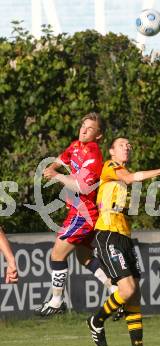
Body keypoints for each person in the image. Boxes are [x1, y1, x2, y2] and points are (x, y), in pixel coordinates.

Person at [87, 137, 160, 346]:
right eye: (122, 145)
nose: (127, 147)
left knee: (135, 294)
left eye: (129, 144)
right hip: (108, 234)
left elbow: (130, 181)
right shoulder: (110, 167)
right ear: (111, 151)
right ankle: (96, 319)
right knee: (127, 289)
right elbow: (131, 178)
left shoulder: (121, 175)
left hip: (124, 237)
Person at [35, 112, 116, 317]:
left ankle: (56, 301)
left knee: (57, 254)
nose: (84, 130)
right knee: (85, 258)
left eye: (90, 128)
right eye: (83, 125)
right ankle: (117, 292)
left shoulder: (94, 155)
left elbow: (84, 187)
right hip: (78, 210)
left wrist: (57, 175)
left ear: (98, 135)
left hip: (85, 214)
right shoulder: (76, 146)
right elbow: (63, 158)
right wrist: (52, 166)